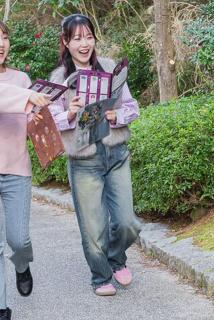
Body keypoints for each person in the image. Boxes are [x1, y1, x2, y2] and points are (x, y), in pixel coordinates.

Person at [49, 14, 141, 296]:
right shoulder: (60, 78)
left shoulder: (111, 68)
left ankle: (116, 258)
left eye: (88, 36)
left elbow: (133, 107)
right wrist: (70, 112)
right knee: (94, 228)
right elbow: (50, 121)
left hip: (116, 154)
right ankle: (100, 277)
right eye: (77, 38)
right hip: (83, 160)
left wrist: (116, 115)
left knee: (127, 223)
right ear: (66, 42)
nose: (84, 43)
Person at [0, 21, 50, 320]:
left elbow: (35, 118)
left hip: (17, 169)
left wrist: (48, 110)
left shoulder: (21, 78)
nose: (1, 43)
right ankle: (2, 308)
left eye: (4, 37)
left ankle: (22, 264)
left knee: (18, 241)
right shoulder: (20, 90)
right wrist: (26, 97)